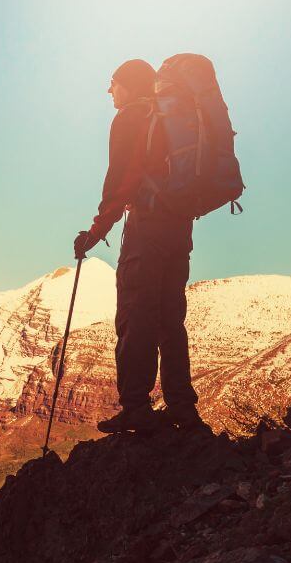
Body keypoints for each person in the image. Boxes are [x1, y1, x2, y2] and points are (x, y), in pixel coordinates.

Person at [73, 59, 201, 433]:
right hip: (180, 230)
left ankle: (136, 409)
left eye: (112, 83)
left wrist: (97, 230)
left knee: (135, 316)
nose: (108, 90)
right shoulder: (171, 119)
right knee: (170, 320)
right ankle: (182, 406)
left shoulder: (131, 117)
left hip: (147, 229)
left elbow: (122, 178)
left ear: (128, 85)